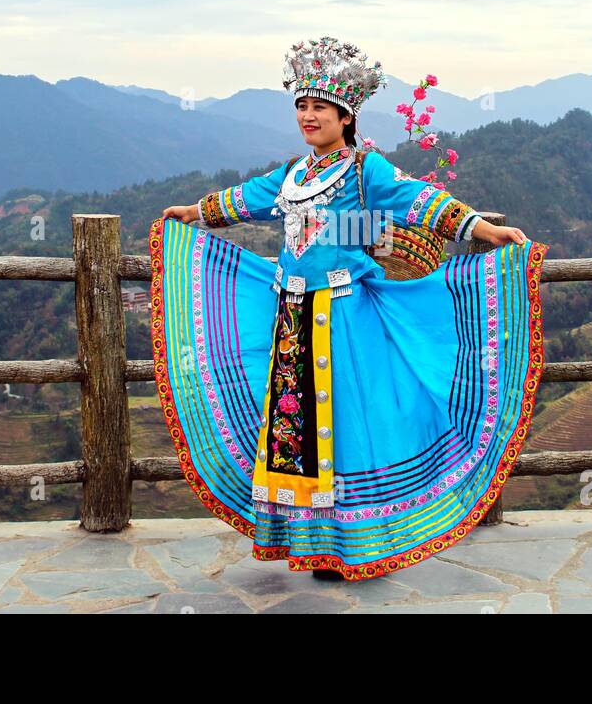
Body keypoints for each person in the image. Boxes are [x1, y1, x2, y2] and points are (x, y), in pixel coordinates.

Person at [152, 36, 547, 582]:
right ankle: (311, 542)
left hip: (341, 318)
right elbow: (246, 198)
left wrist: (483, 228)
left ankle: (358, 544)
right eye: (302, 106)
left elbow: (422, 200)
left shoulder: (366, 171)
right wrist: (195, 212)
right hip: (290, 318)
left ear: (346, 117)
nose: (308, 116)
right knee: (298, 431)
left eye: (320, 108)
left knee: (348, 426)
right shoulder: (294, 174)